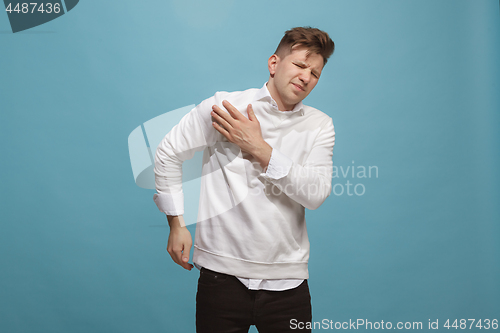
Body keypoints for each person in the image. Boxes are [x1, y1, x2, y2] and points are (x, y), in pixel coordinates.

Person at [154, 26, 335, 333]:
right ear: (274, 64)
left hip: (288, 284)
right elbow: (168, 152)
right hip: (220, 279)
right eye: (301, 65)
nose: (306, 77)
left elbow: (315, 194)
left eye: (315, 73)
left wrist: (259, 148)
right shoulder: (226, 107)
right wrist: (176, 223)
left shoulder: (319, 125)